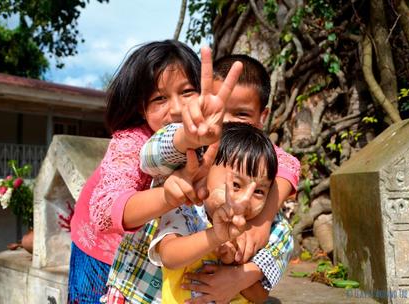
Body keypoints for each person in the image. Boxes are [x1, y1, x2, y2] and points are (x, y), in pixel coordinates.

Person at [106, 54, 300, 303]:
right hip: (137, 291)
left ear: (262, 117)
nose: (224, 121)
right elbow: (151, 155)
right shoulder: (189, 164)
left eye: (240, 114)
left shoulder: (272, 211)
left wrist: (238, 273)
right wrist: (188, 137)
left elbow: (286, 163)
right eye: (218, 109)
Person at [68, 40, 242, 303]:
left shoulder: (213, 132)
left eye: (187, 92)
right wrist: (168, 193)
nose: (176, 109)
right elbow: (106, 211)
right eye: (160, 98)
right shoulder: (132, 142)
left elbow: (274, 160)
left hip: (161, 255)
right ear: (141, 108)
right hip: (101, 255)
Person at [149, 122, 279, 303]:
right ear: (205, 173)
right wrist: (215, 236)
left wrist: (234, 265)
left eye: (258, 192)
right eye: (235, 185)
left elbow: (260, 296)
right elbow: (169, 257)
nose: (245, 199)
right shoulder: (188, 211)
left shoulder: (256, 231)